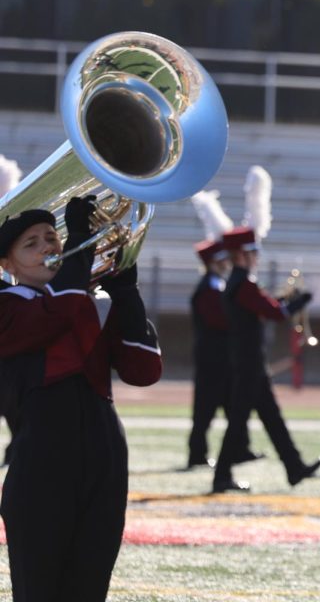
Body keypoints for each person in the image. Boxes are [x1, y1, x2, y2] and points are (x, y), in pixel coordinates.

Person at [0, 198, 162, 601]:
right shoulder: (8, 304)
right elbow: (56, 312)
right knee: (40, 588)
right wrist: (81, 242)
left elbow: (143, 370)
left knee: (89, 587)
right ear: (8, 266)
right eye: (31, 244)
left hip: (106, 448)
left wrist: (126, 293)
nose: (47, 248)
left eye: (52, 237)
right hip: (42, 454)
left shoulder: (88, 304)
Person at [210, 226, 320, 493]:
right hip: (249, 363)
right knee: (239, 422)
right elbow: (276, 313)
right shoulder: (244, 283)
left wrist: (285, 299)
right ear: (241, 255)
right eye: (253, 252)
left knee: (272, 418)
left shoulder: (239, 282)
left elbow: (266, 306)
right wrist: (301, 301)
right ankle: (222, 476)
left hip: (249, 362)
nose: (257, 257)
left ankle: (293, 467)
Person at [186, 239, 257, 469]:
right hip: (213, 359)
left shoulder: (216, 285)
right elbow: (220, 321)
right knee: (205, 409)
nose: (227, 263)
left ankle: (240, 449)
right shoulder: (209, 288)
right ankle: (197, 454)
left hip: (222, 358)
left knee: (231, 406)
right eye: (222, 260)